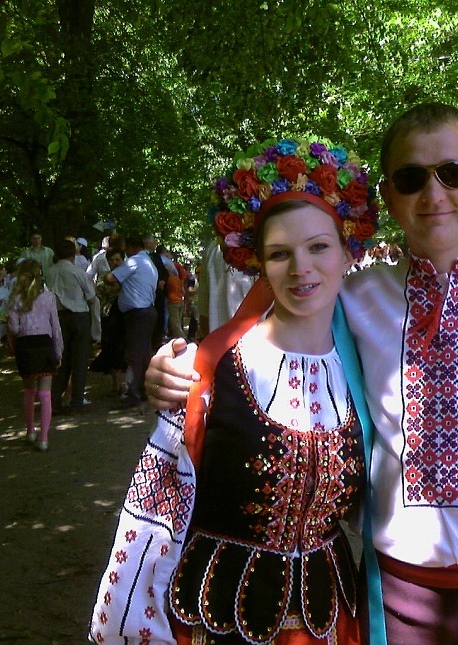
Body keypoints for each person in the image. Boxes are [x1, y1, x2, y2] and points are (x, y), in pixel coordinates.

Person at [144, 104, 458, 645]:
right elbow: (267, 338)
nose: (434, 193)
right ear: (388, 196)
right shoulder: (354, 299)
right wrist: (183, 366)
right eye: (411, 178)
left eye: (454, 173)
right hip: (396, 601)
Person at [89, 137, 382, 645]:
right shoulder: (206, 370)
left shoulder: (370, 363)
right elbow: (155, 516)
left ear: (346, 250)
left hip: (331, 617)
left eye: (318, 247)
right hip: (215, 615)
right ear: (258, 263)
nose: (301, 268)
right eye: (280, 253)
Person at [7, 259, 63, 451]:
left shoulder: (15, 299)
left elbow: (14, 328)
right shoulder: (49, 297)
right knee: (45, 393)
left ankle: (30, 430)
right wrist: (58, 350)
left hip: (25, 346)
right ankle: (44, 438)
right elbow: (55, 327)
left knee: (29, 390)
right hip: (44, 345)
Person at [105, 235, 159, 410]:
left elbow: (110, 278)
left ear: (130, 247)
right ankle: (143, 389)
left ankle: (131, 393)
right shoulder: (148, 262)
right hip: (145, 312)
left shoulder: (134, 262)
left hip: (138, 314)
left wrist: (109, 273)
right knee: (143, 354)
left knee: (134, 355)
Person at [44, 238, 97, 412]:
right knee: (80, 360)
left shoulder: (49, 272)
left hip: (58, 317)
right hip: (79, 316)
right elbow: (91, 297)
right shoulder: (78, 272)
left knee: (61, 359)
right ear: (73, 254)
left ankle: (54, 402)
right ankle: (76, 401)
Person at [89, 249, 127, 397]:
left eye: (117, 260)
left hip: (125, 317)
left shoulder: (128, 277)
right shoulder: (105, 279)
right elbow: (98, 293)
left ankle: (128, 385)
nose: (114, 263)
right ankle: (116, 385)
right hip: (110, 319)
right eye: (112, 260)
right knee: (112, 351)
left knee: (125, 351)